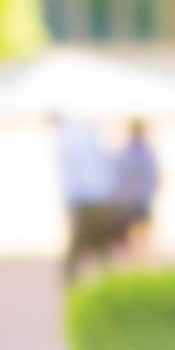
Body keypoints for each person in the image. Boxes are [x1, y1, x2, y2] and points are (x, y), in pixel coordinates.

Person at [55, 113, 122, 286]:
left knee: (85, 244)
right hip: (98, 199)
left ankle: (74, 281)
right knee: (99, 245)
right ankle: (108, 280)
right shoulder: (92, 141)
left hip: (85, 201)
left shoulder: (70, 143)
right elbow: (109, 169)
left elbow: (72, 178)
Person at [112, 118, 161, 261]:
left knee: (137, 237)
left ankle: (137, 260)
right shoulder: (135, 152)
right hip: (133, 201)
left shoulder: (140, 152)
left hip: (136, 200)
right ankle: (136, 260)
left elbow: (152, 177)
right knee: (133, 238)